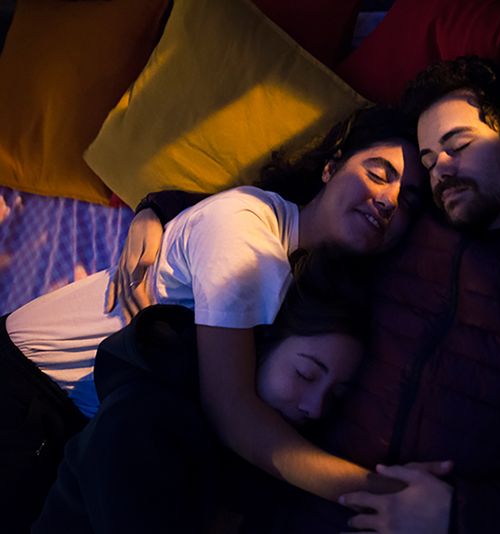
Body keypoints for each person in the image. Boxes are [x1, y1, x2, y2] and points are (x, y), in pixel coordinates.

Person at [105, 57, 500, 533]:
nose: (439, 168)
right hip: (284, 510)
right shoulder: (404, 232)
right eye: (429, 157)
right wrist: (161, 209)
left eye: (459, 145)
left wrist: (461, 515)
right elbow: (289, 211)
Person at [0, 105, 426, 532]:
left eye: (407, 200)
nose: (388, 200)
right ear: (331, 167)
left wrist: (158, 207)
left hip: (85, 426)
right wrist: (381, 492)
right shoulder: (248, 235)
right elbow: (231, 411)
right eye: (378, 174)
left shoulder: (303, 282)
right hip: (27, 390)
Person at [33, 248, 436, 533]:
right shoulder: (141, 420)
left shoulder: (268, 464)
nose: (315, 407)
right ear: (259, 343)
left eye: (335, 394)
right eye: (306, 374)